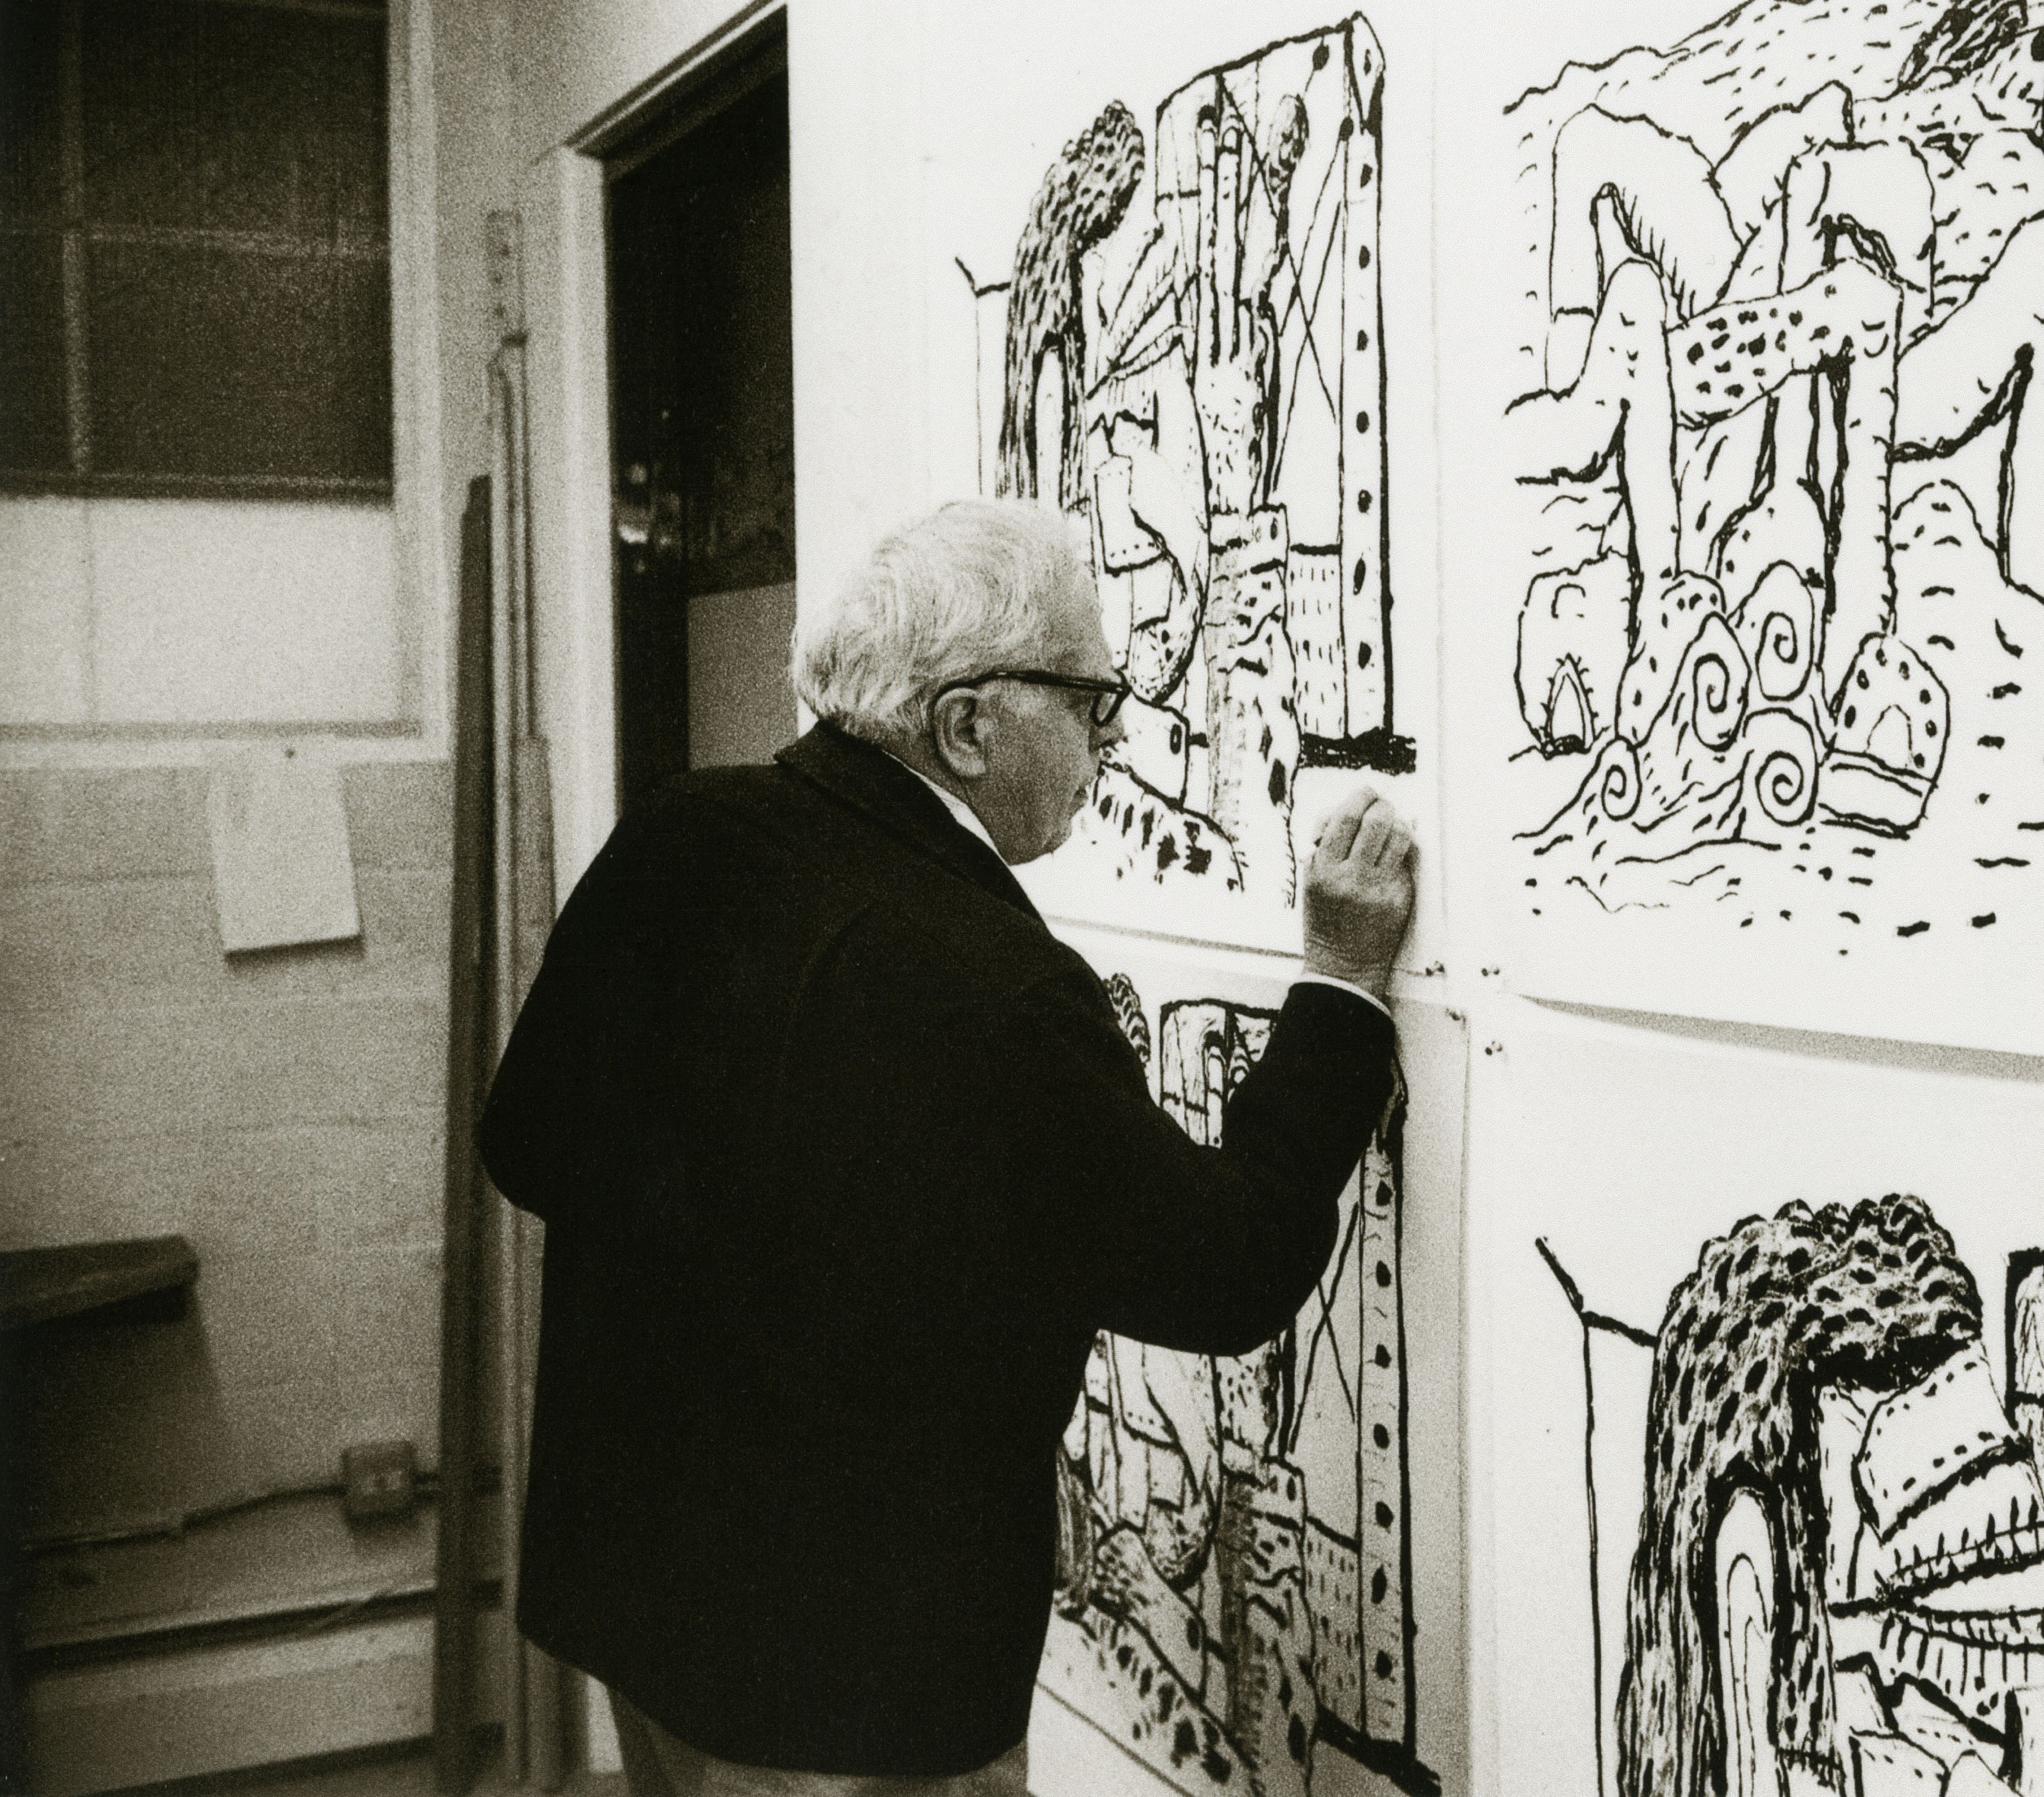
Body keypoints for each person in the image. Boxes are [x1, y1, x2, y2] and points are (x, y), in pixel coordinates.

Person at [479, 501, 1416, 1795]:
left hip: (638, 1600)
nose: (1113, 738)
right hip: (851, 1691)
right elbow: (1228, 1265)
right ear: (967, 725)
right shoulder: (997, 988)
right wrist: (1342, 985)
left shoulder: (678, 831)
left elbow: (526, 1142)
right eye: (1091, 701)